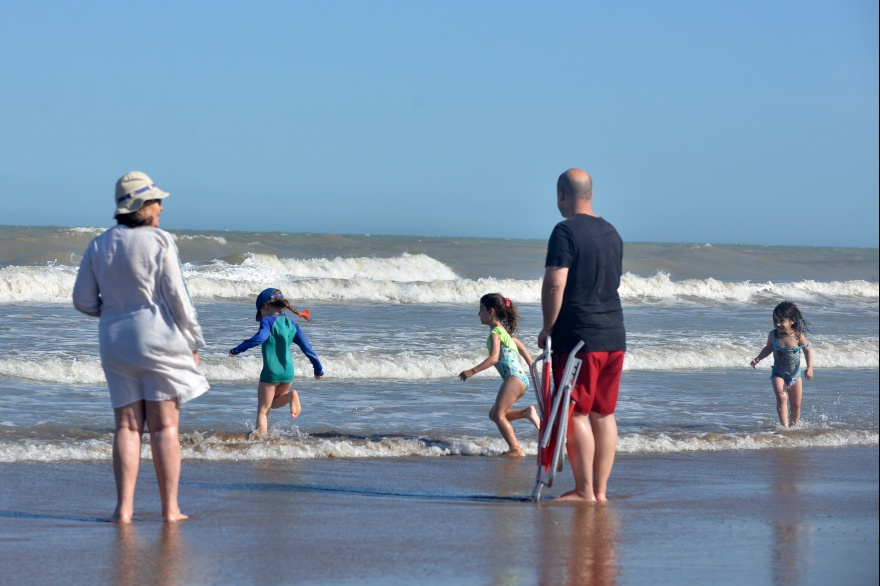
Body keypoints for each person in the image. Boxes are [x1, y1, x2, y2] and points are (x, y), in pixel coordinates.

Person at [73, 171, 209, 523]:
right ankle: (170, 509)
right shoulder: (160, 241)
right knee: (164, 427)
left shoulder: (98, 244)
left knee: (127, 427)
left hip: (115, 342)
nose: (162, 207)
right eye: (155, 201)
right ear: (140, 205)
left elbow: (83, 301)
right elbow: (178, 297)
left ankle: (124, 510)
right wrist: (194, 340)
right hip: (159, 338)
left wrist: (116, 311)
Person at [538, 168, 626, 503]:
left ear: (563, 193)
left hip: (578, 339)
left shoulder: (565, 231)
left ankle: (585, 490)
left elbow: (555, 282)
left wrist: (548, 326)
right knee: (603, 413)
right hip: (614, 336)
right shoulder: (612, 233)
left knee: (574, 412)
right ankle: (600, 491)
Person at [229, 288, 324, 435]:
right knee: (273, 403)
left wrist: (237, 349)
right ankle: (291, 395)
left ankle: (261, 442)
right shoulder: (293, 325)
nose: (261, 316)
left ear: (265, 306)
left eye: (260, 312)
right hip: (288, 373)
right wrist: (318, 369)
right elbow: (308, 348)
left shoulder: (267, 321)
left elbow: (260, 338)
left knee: (263, 411)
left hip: (271, 373)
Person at [458, 293, 540, 457]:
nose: (478, 313)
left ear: (491, 311)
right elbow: (531, 362)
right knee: (494, 414)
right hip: (521, 379)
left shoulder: (496, 333)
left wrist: (471, 371)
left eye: (481, 309)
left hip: (513, 378)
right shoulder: (509, 336)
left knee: (497, 414)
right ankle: (527, 413)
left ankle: (516, 449)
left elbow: (494, 358)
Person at [750, 301, 813, 427]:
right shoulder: (773, 335)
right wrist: (758, 358)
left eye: (781, 321)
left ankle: (793, 427)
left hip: (795, 375)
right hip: (778, 373)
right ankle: (785, 428)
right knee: (782, 397)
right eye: (775, 320)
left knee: (796, 405)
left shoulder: (797, 336)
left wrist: (810, 368)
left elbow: (807, 351)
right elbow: (768, 348)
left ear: (792, 320)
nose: (778, 324)